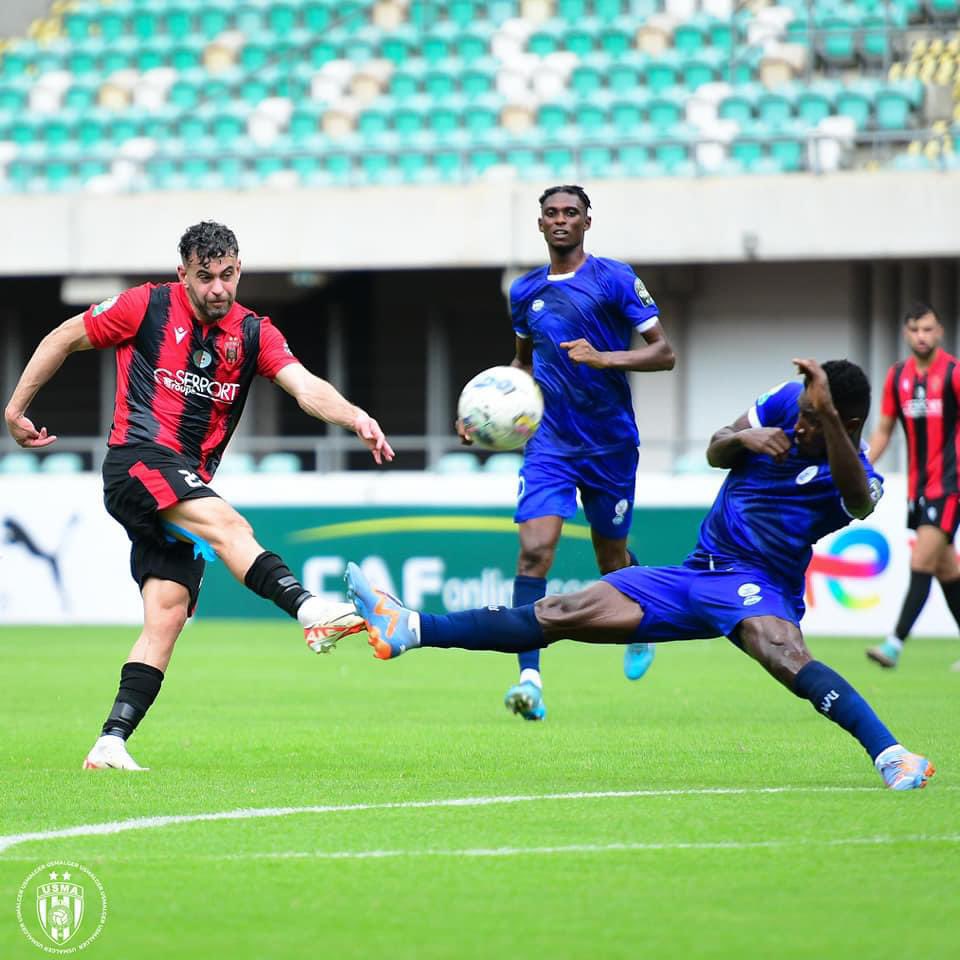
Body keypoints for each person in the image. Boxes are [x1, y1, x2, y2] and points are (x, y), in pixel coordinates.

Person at [347, 358, 935, 791]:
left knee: (779, 651)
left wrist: (826, 420)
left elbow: (859, 502)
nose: (800, 421)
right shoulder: (787, 401)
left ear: (845, 419)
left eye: (814, 416)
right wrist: (745, 436)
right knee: (561, 612)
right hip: (694, 573)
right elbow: (715, 448)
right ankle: (410, 628)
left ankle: (891, 755)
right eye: (803, 411)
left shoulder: (855, 471)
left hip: (756, 580)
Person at [4, 221, 393, 770]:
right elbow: (62, 337)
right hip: (137, 461)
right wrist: (16, 409)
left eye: (228, 275)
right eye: (205, 276)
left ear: (240, 271)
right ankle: (310, 610)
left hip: (182, 477)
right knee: (230, 527)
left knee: (167, 614)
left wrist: (355, 417)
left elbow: (304, 386)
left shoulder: (254, 333)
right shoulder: (145, 307)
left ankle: (111, 741)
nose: (218, 288)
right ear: (182, 272)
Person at [459, 184, 675, 721]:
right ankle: (529, 679)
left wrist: (603, 358)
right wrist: (482, 416)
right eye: (551, 214)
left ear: (587, 221)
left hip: (610, 444)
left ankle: (641, 621)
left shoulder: (615, 278)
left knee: (610, 561)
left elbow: (664, 353)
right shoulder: (524, 291)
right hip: (550, 443)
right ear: (539, 224)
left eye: (570, 213)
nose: (561, 221)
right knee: (535, 551)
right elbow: (521, 365)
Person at [866, 302, 960, 671]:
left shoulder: (953, 373)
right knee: (946, 569)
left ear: (939, 332)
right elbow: (884, 429)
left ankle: (894, 644)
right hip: (917, 487)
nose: (922, 336)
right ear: (906, 334)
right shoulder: (897, 377)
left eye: (928, 329)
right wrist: (861, 468)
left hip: (950, 484)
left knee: (921, 558)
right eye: (915, 330)